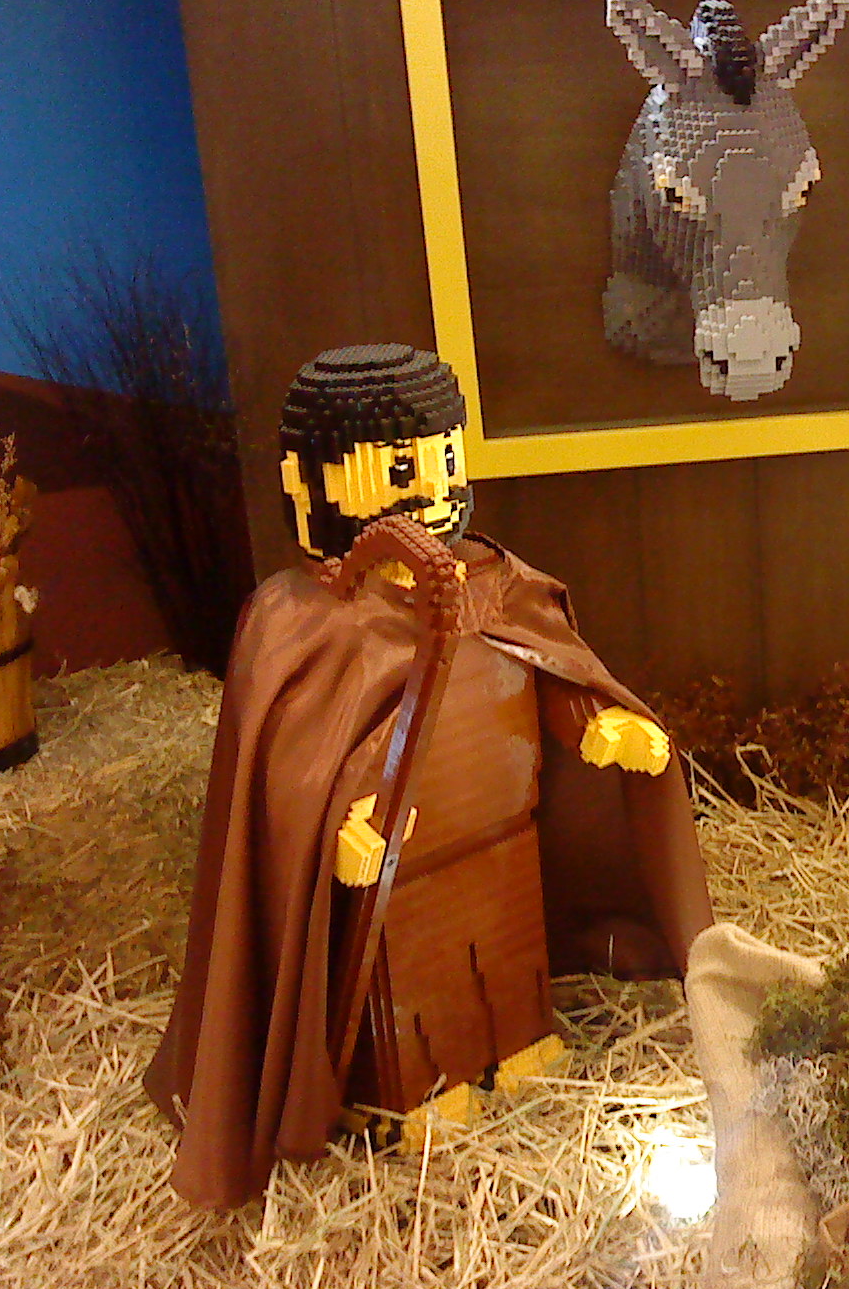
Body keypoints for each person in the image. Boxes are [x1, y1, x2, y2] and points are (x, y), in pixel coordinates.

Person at [145, 343, 712, 1207]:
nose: (436, 488)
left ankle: (517, 1049)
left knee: (509, 973)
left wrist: (600, 723)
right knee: (413, 998)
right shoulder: (303, 621)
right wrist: (339, 829)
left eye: (445, 458)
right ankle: (409, 1097)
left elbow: (546, 664)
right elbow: (291, 775)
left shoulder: (492, 581)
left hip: (503, 836)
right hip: (399, 878)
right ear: (321, 484)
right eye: (405, 469)